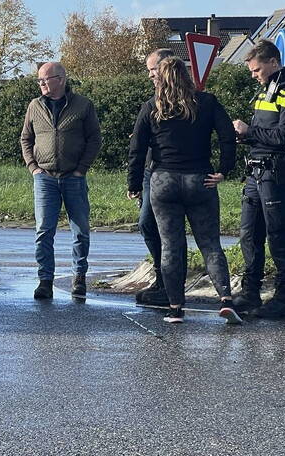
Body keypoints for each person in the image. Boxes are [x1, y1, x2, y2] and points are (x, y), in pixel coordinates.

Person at [127, 57, 240, 324]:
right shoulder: (207, 102)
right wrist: (224, 170)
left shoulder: (150, 108)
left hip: (163, 181)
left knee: (170, 246)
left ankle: (175, 308)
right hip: (200, 179)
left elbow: (137, 150)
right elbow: (227, 137)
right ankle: (226, 299)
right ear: (187, 76)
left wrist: (133, 184)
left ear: (160, 78)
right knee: (210, 244)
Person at [231, 40, 285, 319]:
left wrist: (250, 131)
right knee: (249, 233)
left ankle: (283, 297)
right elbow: (264, 131)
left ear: (274, 62)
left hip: (276, 172)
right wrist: (244, 136)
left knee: (278, 234)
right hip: (256, 171)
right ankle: (250, 291)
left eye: (257, 70)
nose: (254, 75)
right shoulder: (267, 90)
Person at [20, 61, 102, 300]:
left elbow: (95, 139)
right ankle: (45, 281)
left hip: (73, 178)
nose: (42, 84)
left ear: (61, 79)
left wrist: (81, 169)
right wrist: (33, 167)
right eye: (39, 80)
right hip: (44, 177)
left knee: (80, 230)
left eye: (46, 79)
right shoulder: (34, 106)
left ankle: (79, 278)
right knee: (44, 231)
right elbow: (26, 139)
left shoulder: (83, 105)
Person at [132, 48, 175, 306]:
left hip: (168, 174)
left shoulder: (186, 100)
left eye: (152, 70)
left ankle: (169, 283)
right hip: (150, 171)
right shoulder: (152, 101)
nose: (150, 75)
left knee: (168, 229)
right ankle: (161, 277)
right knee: (147, 224)